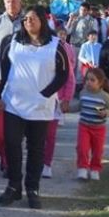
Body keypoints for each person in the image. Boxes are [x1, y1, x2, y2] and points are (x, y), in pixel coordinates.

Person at [0, 5, 69, 210]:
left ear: (43, 21)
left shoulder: (55, 45)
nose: (29, 22)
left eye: (33, 19)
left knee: (36, 149)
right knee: (12, 144)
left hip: (40, 106)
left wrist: (46, 93)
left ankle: (32, 188)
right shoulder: (13, 42)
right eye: (26, 19)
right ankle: (13, 185)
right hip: (14, 104)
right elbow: (3, 68)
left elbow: (63, 73)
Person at [0, 0, 23, 177]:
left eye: (14, 1)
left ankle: (12, 162)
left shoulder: (28, 22)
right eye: (8, 2)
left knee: (15, 131)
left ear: (20, 2)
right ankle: (5, 159)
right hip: (0, 80)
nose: (11, 5)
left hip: (21, 82)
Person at [42, 27, 76, 179]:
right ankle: (37, 161)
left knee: (50, 135)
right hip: (35, 102)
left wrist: (66, 98)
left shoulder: (60, 52)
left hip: (55, 100)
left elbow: (70, 78)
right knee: (35, 136)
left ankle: (47, 164)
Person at [74, 68, 109, 181]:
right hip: (84, 126)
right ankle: (82, 168)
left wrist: (106, 113)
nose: (89, 82)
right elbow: (79, 106)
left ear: (100, 82)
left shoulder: (104, 96)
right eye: (87, 79)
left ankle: (95, 169)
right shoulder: (83, 93)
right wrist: (67, 108)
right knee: (82, 148)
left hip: (99, 128)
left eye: (92, 80)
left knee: (97, 151)